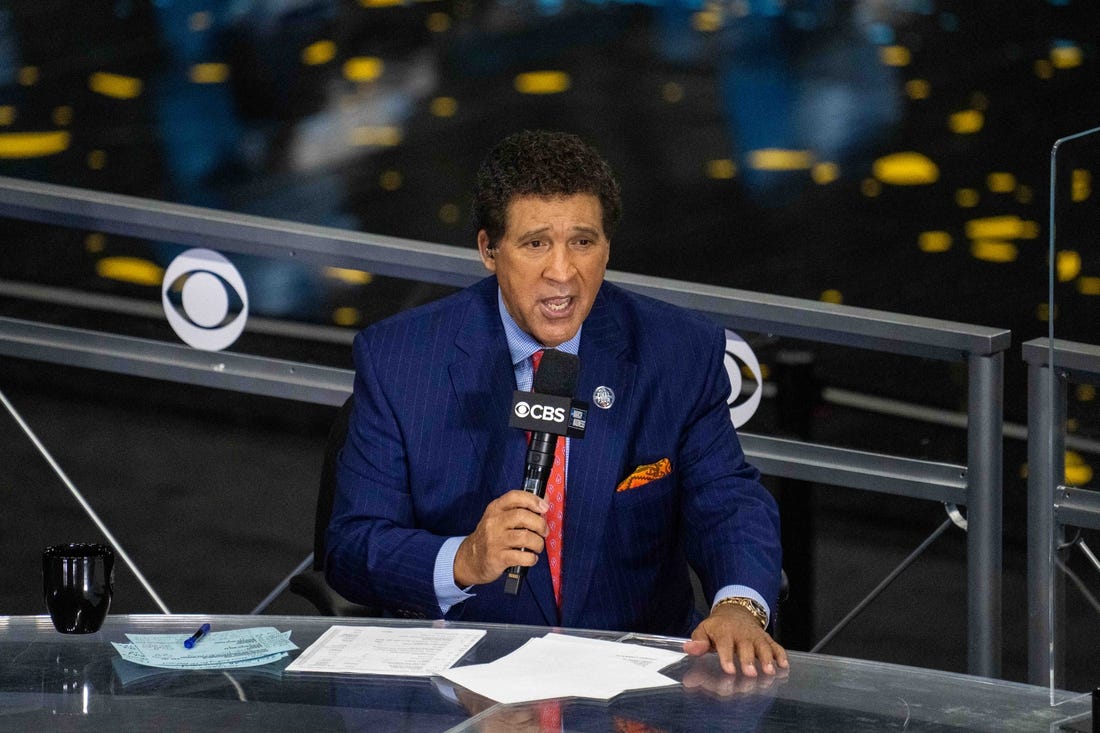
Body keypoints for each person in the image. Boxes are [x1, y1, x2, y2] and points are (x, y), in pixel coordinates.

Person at [326, 129, 788, 676]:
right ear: (488, 250)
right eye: (535, 243)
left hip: (633, 679)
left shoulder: (678, 352)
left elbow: (728, 499)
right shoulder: (399, 360)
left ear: (607, 247)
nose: (563, 272)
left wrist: (739, 606)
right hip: (463, 677)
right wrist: (464, 559)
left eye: (583, 242)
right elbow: (352, 546)